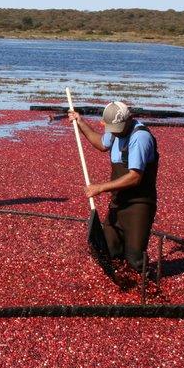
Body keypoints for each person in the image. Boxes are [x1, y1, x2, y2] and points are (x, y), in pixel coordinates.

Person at [67, 101, 158, 271]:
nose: (115, 133)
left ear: (129, 118)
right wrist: (81, 123)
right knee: (108, 249)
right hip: (118, 201)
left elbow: (134, 177)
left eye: (119, 128)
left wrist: (100, 187)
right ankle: (122, 282)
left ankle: (148, 285)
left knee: (134, 258)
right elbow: (102, 143)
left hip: (139, 204)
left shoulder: (140, 137)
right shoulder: (115, 131)